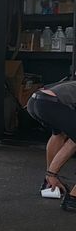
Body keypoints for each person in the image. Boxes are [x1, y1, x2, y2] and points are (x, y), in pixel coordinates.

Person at [27, 80, 76, 210]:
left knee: (58, 135)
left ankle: (48, 183)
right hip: (51, 104)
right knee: (73, 141)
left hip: (36, 101)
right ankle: (73, 199)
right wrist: (52, 173)